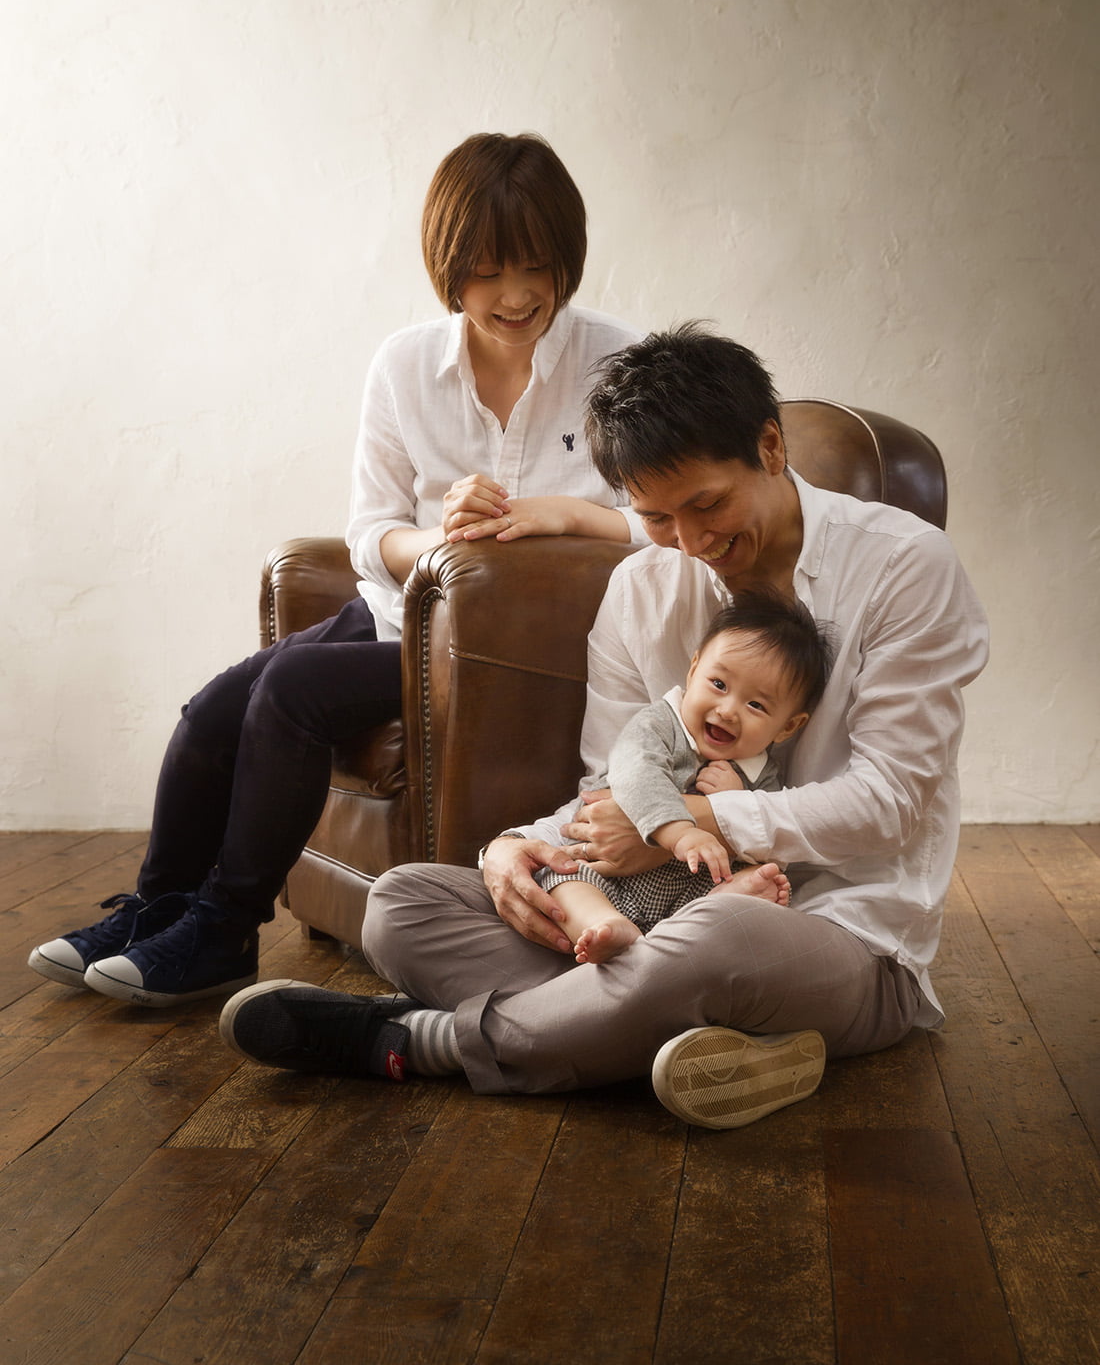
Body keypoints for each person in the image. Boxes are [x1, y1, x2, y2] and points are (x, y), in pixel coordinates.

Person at [218, 324, 989, 1132]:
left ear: (769, 447)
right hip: (642, 926)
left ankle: (424, 1041)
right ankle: (684, 1041)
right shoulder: (640, 589)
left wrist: (689, 819)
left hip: (842, 939)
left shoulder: (907, 567)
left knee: (725, 931)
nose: (693, 545)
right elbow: (606, 789)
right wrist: (516, 846)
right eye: (658, 518)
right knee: (403, 905)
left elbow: (891, 802)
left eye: (707, 505)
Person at [28, 132, 644, 1008]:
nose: (513, 297)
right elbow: (370, 531)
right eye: (485, 271)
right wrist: (439, 542)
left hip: (514, 650)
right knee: (214, 708)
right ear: (448, 264)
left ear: (568, 259)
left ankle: (226, 925)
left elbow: (662, 525)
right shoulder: (404, 365)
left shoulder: (622, 364)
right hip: (404, 610)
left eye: (536, 268)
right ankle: (158, 910)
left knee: (293, 690)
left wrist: (557, 517)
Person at [541, 590, 830, 964]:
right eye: (719, 685)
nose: (727, 710)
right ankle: (607, 926)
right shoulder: (659, 725)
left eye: (756, 705)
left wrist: (734, 803)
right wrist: (682, 831)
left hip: (692, 892)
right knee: (562, 880)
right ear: (694, 671)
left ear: (787, 726)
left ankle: (706, 915)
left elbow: (769, 835)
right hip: (607, 876)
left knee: (756, 878)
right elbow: (635, 773)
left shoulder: (762, 776)